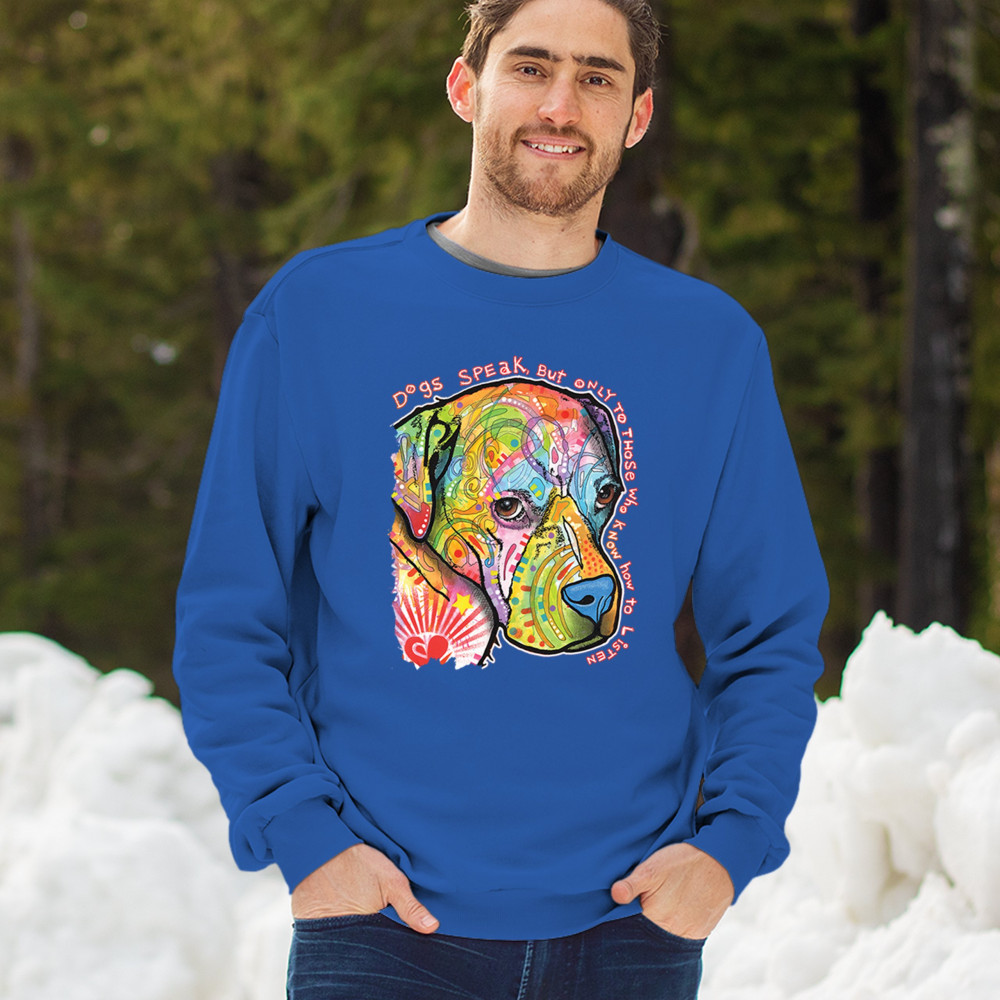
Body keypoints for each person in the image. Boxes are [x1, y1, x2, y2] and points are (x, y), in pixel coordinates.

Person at [172, 0, 829, 997]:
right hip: (381, 919)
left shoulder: (707, 344)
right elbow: (229, 613)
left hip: (631, 926)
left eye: (597, 77)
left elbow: (770, 632)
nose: (560, 104)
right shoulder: (317, 314)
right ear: (464, 86)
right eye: (530, 67)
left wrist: (727, 846)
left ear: (637, 116)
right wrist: (304, 838)